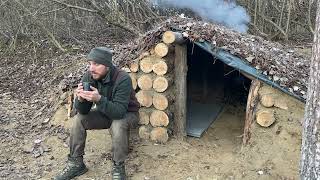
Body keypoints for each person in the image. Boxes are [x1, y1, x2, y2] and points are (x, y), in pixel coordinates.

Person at [54, 47, 140, 180]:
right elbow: (83, 111)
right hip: (105, 113)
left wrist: (98, 99)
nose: (91, 68)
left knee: (117, 124)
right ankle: (76, 163)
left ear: (107, 65)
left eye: (96, 64)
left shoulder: (123, 78)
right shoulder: (90, 76)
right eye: (90, 63)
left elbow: (119, 112)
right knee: (79, 119)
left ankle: (118, 166)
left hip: (127, 114)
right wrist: (81, 100)